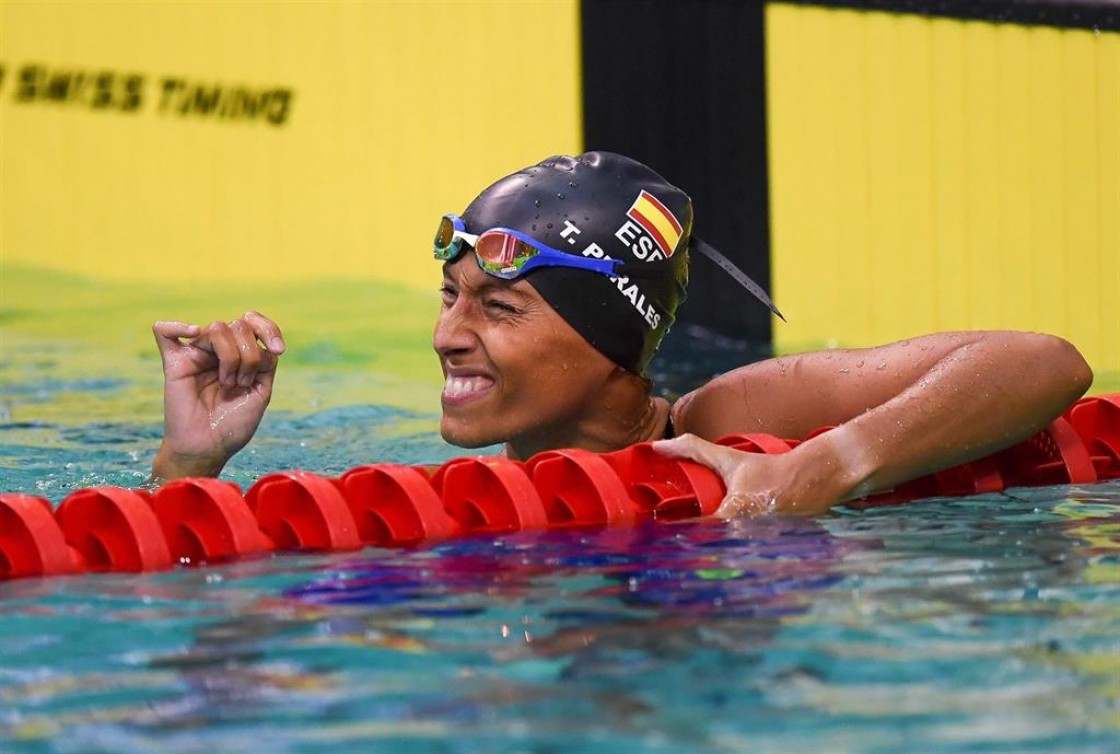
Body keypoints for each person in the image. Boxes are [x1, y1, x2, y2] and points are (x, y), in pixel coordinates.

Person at [148, 152, 1093, 516]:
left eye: (498, 306)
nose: (447, 335)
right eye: (450, 295)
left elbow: (1045, 363)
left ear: (614, 346)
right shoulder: (467, 501)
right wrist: (188, 471)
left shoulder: (726, 419)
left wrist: (823, 466)